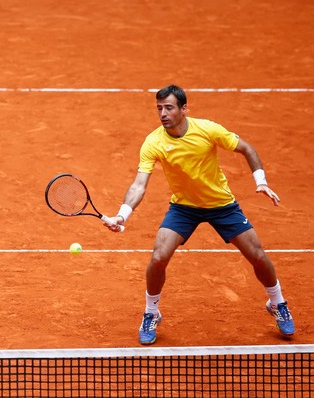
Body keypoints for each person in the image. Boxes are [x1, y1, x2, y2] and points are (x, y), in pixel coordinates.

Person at [105, 84, 294, 344]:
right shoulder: (153, 142)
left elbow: (246, 148)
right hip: (184, 208)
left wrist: (260, 180)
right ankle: (151, 312)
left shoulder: (207, 129)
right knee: (159, 257)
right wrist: (122, 215)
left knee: (258, 256)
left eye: (169, 107)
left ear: (184, 109)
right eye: (159, 108)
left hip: (222, 205)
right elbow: (139, 184)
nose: (163, 113)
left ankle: (277, 303)